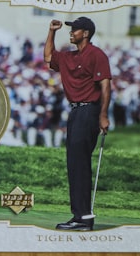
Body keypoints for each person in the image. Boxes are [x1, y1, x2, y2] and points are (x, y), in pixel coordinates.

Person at [43, 16, 112, 231]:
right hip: (74, 113)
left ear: (86, 33)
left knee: (80, 165)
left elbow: (105, 86)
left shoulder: (97, 55)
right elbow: (47, 57)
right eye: (71, 30)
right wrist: (51, 31)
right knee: (74, 165)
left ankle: (82, 218)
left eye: (76, 30)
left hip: (89, 112)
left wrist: (103, 115)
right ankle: (80, 216)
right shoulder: (68, 57)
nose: (71, 32)